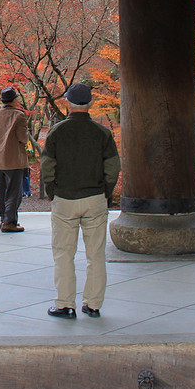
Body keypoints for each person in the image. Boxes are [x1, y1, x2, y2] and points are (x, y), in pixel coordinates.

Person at [41, 83, 121, 320]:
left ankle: (65, 303)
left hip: (65, 198)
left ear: (68, 102)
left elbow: (47, 165)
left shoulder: (57, 131)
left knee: (63, 253)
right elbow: (113, 167)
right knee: (95, 254)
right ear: (91, 103)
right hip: (95, 197)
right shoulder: (102, 132)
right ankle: (93, 304)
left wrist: (51, 190)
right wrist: (106, 190)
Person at [0, 87, 30, 233]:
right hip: (13, 158)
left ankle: (3, 219)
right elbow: (23, 138)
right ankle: (10, 221)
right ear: (14, 100)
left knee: (2, 190)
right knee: (14, 192)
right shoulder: (19, 116)